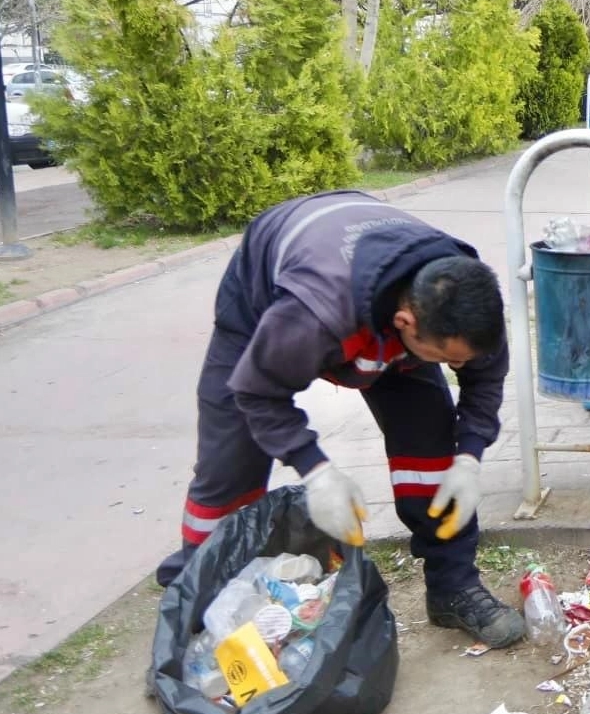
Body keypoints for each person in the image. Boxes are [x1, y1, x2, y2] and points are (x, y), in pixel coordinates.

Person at [155, 190, 525, 648]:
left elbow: (484, 380)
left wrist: (468, 457)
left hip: (376, 297)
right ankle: (200, 603)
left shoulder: (468, 303)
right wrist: (317, 470)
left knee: (431, 451)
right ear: (406, 323)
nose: (459, 367)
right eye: (449, 359)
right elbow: (258, 391)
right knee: (229, 465)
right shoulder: (313, 312)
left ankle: (453, 588)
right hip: (270, 296)